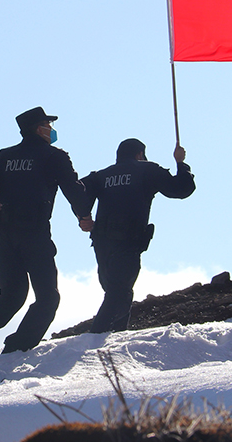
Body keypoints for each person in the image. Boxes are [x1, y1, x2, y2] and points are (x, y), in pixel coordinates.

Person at [0, 106, 94, 354]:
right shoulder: (54, 156)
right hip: (33, 234)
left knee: (10, 297)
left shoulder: (4, 156)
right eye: (48, 125)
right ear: (38, 128)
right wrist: (84, 216)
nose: (51, 130)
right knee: (48, 297)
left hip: (2, 233)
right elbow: (73, 190)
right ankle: (16, 350)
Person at [80, 139, 195, 333]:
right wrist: (181, 164)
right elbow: (181, 189)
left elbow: (79, 191)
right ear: (139, 154)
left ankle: (115, 335)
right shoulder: (147, 170)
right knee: (120, 291)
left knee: (115, 289)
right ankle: (98, 338)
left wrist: (83, 216)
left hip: (102, 244)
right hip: (128, 241)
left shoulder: (102, 175)